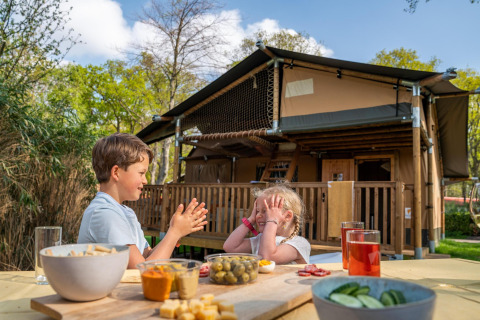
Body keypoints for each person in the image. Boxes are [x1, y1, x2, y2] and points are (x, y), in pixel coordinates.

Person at [78, 133, 208, 269]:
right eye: (141, 173)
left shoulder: (125, 212)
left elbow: (147, 257)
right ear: (116, 172)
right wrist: (174, 233)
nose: (145, 180)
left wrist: (173, 234)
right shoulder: (104, 213)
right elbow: (143, 271)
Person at [223, 185, 310, 264]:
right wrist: (251, 220)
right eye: (257, 211)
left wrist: (272, 221)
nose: (258, 215)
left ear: (287, 216)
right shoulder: (260, 239)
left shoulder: (299, 243)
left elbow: (267, 258)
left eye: (266, 211)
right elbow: (230, 247)